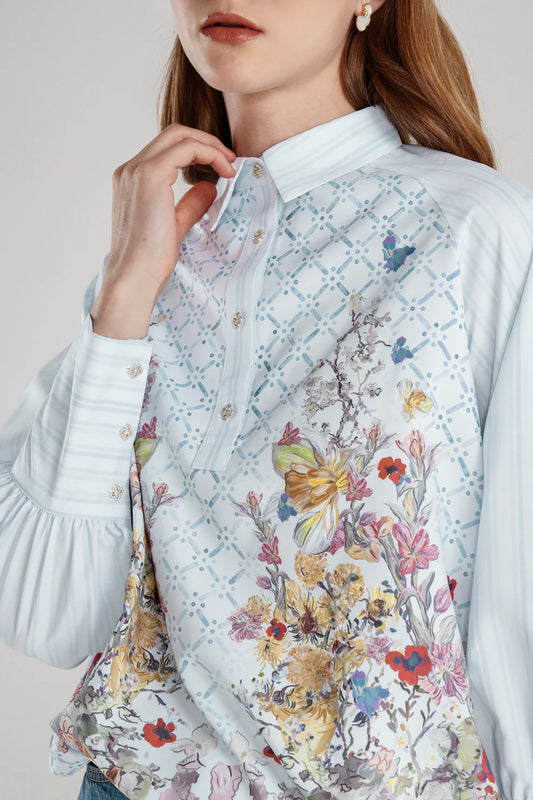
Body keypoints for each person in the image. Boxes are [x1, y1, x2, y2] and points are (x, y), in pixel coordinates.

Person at [0, 1, 531, 798]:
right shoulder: (156, 255)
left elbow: (518, 600)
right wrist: (123, 297)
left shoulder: (471, 229)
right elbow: (50, 617)